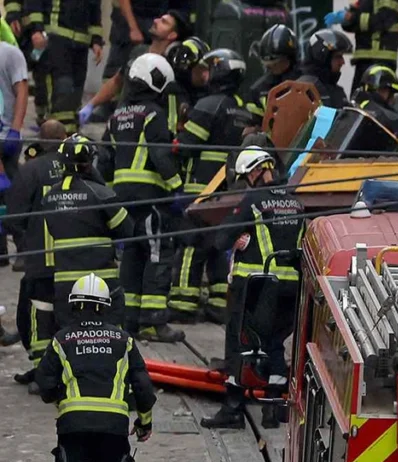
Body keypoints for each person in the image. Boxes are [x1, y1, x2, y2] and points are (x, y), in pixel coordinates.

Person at [36, 273, 156, 462]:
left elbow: (45, 384)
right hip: (114, 429)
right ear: (107, 306)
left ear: (74, 306)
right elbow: (143, 387)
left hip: (73, 428)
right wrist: (144, 422)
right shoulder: (124, 341)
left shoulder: (61, 340)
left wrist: (62, 398)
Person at [201, 148, 304, 430]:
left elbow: (221, 240)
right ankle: (273, 409)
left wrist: (237, 239)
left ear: (257, 171)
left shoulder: (254, 200)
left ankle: (233, 410)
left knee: (242, 346)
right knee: (273, 345)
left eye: (247, 177)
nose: (246, 183)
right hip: (292, 288)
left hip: (257, 287)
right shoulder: (296, 202)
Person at [98, 53, 184, 342]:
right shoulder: (152, 114)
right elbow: (160, 153)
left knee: (133, 257)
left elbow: (105, 160)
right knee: (158, 254)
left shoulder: (116, 116)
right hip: (150, 197)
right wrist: (176, 187)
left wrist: (110, 195)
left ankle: (128, 320)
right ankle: (154, 322)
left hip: (123, 199)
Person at [171, 49, 252, 325]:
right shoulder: (244, 109)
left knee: (191, 242)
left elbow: (187, 145)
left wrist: (179, 133)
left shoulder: (208, 105)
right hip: (230, 190)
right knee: (219, 244)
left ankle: (183, 301)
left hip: (201, 187)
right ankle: (219, 303)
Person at [41, 134, 134, 328]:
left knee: (71, 339)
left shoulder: (49, 198)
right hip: (102, 281)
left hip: (64, 283)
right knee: (110, 337)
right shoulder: (101, 193)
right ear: (89, 162)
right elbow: (127, 230)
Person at [5, 119, 67, 392]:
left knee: (37, 314)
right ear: (65, 138)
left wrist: (24, 242)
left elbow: (14, 214)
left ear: (40, 142)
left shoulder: (30, 170)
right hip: (75, 261)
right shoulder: (80, 166)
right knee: (67, 313)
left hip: (41, 259)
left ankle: (44, 371)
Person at [78, 10, 192, 126]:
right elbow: (116, 81)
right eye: (159, 18)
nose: (156, 21)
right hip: (122, 121)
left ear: (172, 35)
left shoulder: (172, 64)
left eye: (164, 22)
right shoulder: (138, 51)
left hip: (149, 125)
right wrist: (91, 105)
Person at [22, 0, 103, 133]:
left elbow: (94, 9)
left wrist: (96, 40)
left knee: (75, 92)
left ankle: (69, 132)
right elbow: (34, 4)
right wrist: (36, 30)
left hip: (80, 46)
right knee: (61, 88)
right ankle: (56, 133)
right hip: (55, 41)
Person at [337, 0, 398, 96]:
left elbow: (382, 21)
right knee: (356, 101)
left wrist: (353, 18)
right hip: (364, 59)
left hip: (381, 59)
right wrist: (347, 19)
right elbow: (350, 25)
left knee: (377, 101)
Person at [0, 36, 28, 266]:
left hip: (6, 134)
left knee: (12, 193)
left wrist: (16, 129)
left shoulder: (10, 53)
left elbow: (21, 91)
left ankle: (24, 247)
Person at [353, 65, 398, 150]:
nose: (393, 99)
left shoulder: (351, 111)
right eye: (392, 94)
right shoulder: (391, 118)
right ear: (383, 90)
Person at [246, 24, 300, 121]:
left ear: (289, 58)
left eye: (277, 62)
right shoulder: (258, 90)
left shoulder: (306, 82)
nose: (271, 66)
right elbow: (254, 124)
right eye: (268, 63)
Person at [163, 36, 210, 132]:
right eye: (200, 68)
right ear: (185, 69)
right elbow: (173, 130)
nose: (205, 74)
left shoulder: (208, 91)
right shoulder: (172, 92)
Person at [297, 28, 353, 109]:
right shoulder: (303, 90)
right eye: (338, 57)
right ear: (322, 57)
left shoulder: (336, 91)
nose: (342, 62)